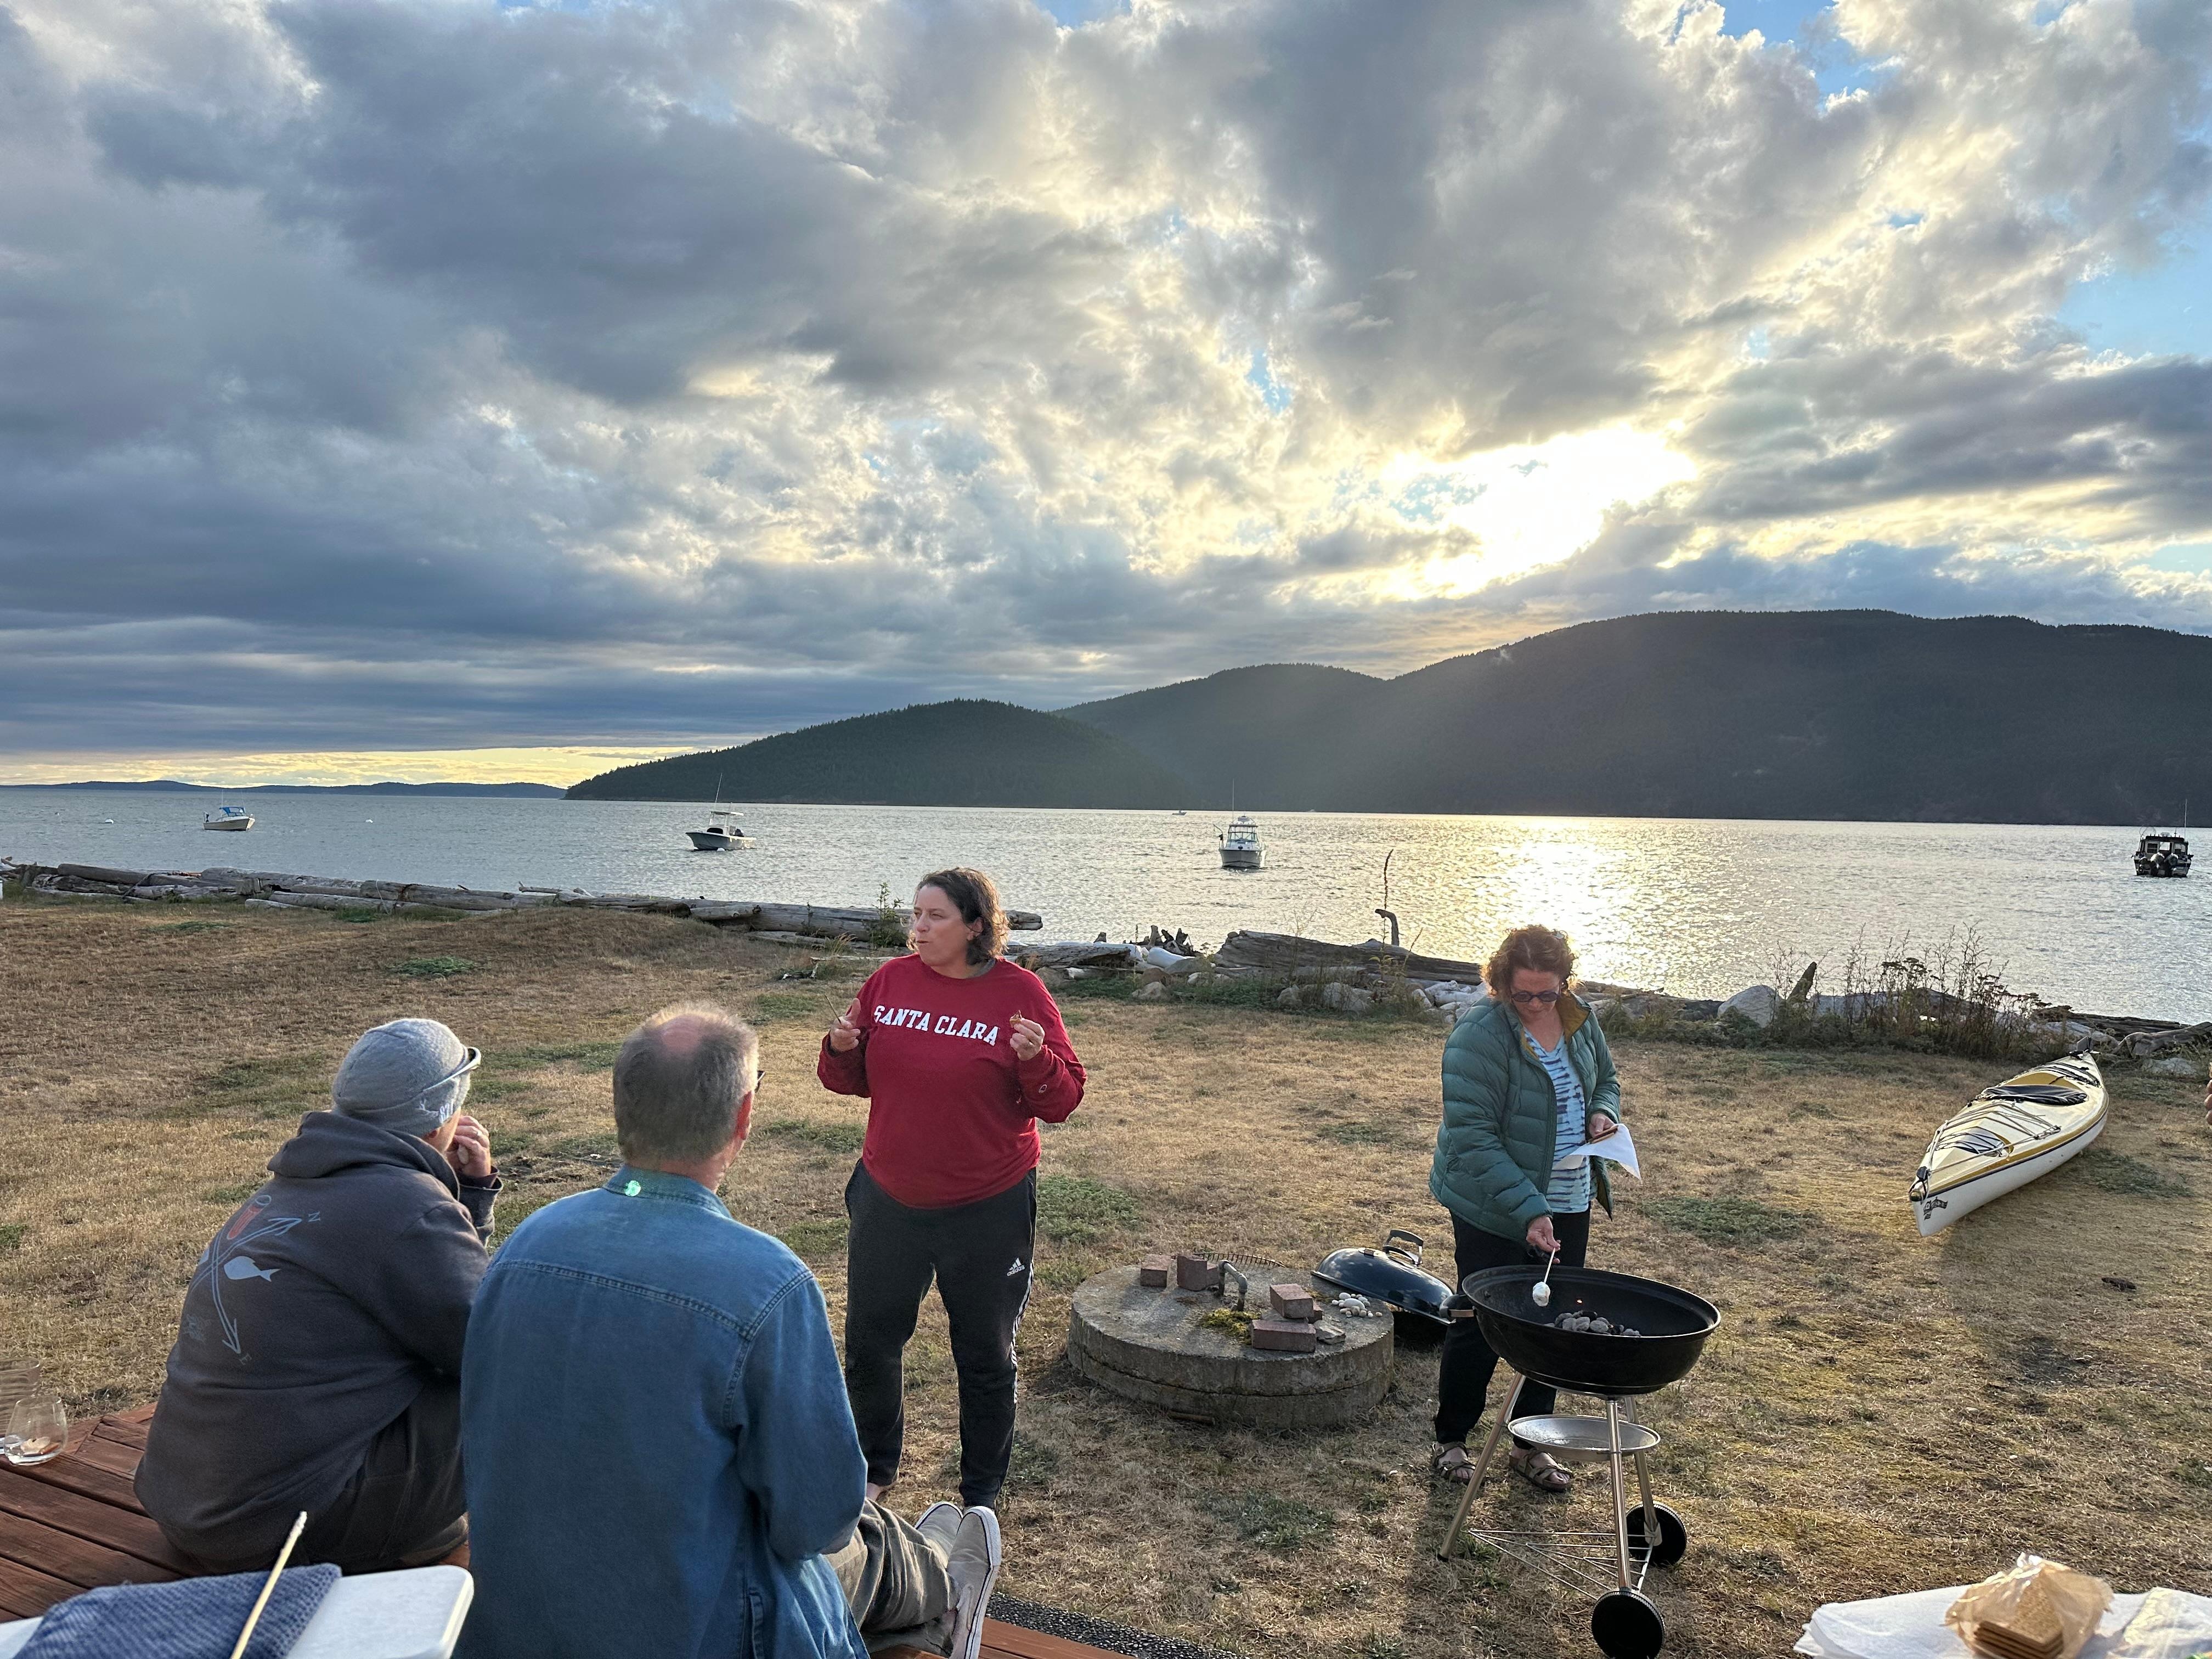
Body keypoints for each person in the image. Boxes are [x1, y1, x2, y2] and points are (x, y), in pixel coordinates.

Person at [459, 1004, 1003, 1659]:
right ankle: (947, 1595)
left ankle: (933, 1576)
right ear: (743, 1116)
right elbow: (818, 1520)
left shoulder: (524, 1247)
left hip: (520, 1614)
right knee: (866, 1546)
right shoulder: (765, 1284)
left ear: (621, 1104)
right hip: (695, 1628)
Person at [136, 1018, 498, 1572]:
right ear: (442, 1112)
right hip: (283, 1530)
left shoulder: (290, 1189)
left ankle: (401, 1518)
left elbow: (439, 1299)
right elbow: (489, 1341)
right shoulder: (406, 1207)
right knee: (524, 1370)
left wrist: (465, 1197)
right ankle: (415, 1537)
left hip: (194, 1505)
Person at [819, 867, 1086, 1509]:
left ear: (975, 927)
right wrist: (840, 1047)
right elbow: (848, 1080)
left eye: (935, 916)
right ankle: (872, 1471)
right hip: (889, 1197)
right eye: (916, 914)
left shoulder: (1019, 992)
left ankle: (980, 1495)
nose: (919, 927)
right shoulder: (889, 982)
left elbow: (1062, 1100)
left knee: (985, 1354)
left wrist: (1037, 1059)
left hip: (986, 1205)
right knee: (871, 1344)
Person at [1429, 926, 1623, 1494]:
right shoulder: (1479, 1035)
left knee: (1552, 1324)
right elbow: (1473, 1137)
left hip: (1569, 1199)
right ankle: (1452, 1439)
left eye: (1547, 992)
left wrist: (1604, 1113)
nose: (1537, 1004)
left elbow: (1606, 1080)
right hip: (1491, 1202)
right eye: (1524, 994)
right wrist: (1530, 1212)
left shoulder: (1579, 1017)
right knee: (1480, 1320)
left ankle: (1531, 1445)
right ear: (1500, 983)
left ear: (1565, 981)